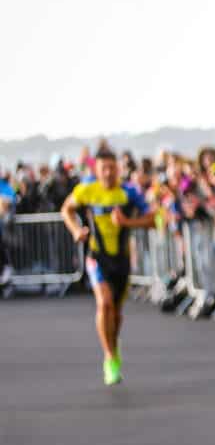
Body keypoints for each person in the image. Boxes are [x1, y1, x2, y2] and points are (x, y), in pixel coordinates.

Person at [60, 148, 160, 385]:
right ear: (96, 170)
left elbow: (152, 219)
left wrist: (128, 222)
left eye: (112, 168)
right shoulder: (87, 190)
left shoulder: (128, 192)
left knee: (115, 314)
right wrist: (76, 230)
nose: (107, 173)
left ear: (118, 169)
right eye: (103, 168)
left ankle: (113, 348)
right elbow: (66, 209)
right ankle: (109, 357)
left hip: (122, 260)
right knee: (103, 304)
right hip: (97, 257)